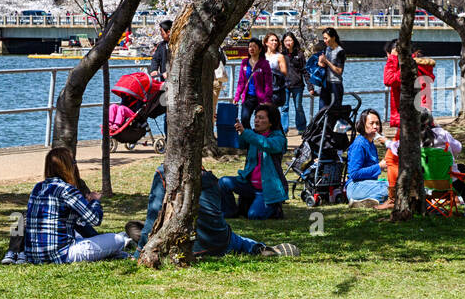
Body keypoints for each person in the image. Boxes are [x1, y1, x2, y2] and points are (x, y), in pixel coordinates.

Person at [139, 165, 298, 259]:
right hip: (218, 241)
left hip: (191, 244)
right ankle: (258, 247)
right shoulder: (209, 178)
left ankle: (130, 239)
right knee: (234, 239)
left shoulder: (163, 174)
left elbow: (152, 218)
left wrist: (139, 251)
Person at [22, 147, 136, 264]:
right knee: (117, 239)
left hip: (34, 255)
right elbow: (95, 219)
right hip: (61, 255)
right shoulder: (67, 189)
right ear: (67, 166)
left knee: (83, 237)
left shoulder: (38, 187)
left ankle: (112, 254)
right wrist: (94, 201)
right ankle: (114, 252)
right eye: (73, 162)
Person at [220, 103, 288, 219]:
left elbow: (266, 144)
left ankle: (275, 208)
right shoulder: (253, 135)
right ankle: (230, 211)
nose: (256, 120)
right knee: (224, 182)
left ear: (271, 122)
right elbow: (238, 143)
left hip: (267, 190)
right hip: (249, 185)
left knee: (254, 215)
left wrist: (245, 132)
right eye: (256, 117)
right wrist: (228, 123)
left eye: (261, 118)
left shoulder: (279, 138)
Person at [382, 40, 436, 127]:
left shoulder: (408, 67)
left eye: (388, 55)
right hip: (423, 113)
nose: (387, 58)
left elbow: (388, 80)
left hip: (408, 117)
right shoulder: (421, 66)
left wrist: (392, 59)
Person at [346, 108, 390, 207]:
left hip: (369, 184)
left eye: (377, 123)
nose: (375, 127)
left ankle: (368, 201)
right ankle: (361, 201)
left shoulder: (371, 144)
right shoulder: (359, 144)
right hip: (355, 187)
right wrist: (379, 166)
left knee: (394, 185)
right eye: (371, 123)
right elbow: (354, 173)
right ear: (363, 125)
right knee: (388, 189)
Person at [233, 37, 273, 128]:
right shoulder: (244, 62)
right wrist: (237, 96)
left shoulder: (264, 64)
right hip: (248, 97)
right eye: (250, 46)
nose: (251, 48)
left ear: (260, 49)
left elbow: (268, 83)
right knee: (244, 119)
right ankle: (251, 138)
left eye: (254, 46)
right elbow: (241, 81)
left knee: (262, 122)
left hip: (261, 98)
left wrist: (267, 99)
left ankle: (260, 139)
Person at [281, 31, 309, 133]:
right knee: (284, 108)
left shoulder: (300, 54)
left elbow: (305, 70)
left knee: (298, 107)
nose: (288, 42)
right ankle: (284, 129)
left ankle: (301, 128)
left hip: (297, 85)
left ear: (294, 41)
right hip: (284, 86)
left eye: (290, 40)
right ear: (283, 42)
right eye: (286, 40)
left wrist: (310, 86)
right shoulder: (281, 55)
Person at [317, 26, 346, 111]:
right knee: (322, 110)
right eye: (324, 38)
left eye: (326, 38)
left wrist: (326, 61)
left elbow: (339, 71)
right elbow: (325, 65)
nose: (324, 41)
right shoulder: (327, 49)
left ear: (333, 38)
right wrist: (320, 63)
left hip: (335, 84)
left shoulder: (340, 51)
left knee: (334, 111)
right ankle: (322, 124)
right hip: (326, 83)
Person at [264, 32, 288, 110]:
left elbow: (284, 72)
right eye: (272, 40)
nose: (274, 42)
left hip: (274, 88)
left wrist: (271, 71)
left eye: (276, 40)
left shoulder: (279, 56)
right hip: (262, 87)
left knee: (272, 111)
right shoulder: (262, 56)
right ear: (266, 43)